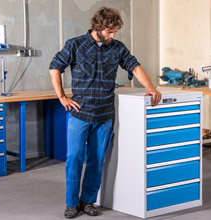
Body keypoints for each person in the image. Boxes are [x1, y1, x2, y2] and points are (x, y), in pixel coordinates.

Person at [49, 7, 161, 219]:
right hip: (79, 114)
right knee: (74, 158)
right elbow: (55, 67)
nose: (113, 36)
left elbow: (134, 67)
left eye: (115, 32)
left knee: (97, 160)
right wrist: (62, 96)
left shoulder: (117, 48)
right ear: (98, 27)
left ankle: (88, 201)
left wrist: (152, 88)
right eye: (110, 32)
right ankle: (71, 203)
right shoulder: (75, 45)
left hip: (105, 115)